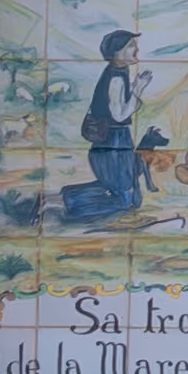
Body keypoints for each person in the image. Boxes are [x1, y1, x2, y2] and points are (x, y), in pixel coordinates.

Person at [47, 29, 153, 226]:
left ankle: (58, 199)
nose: (136, 49)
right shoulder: (115, 76)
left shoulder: (118, 72)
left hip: (114, 140)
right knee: (124, 199)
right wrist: (138, 89)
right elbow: (119, 114)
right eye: (131, 45)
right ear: (117, 52)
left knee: (128, 196)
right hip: (113, 140)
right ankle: (62, 202)